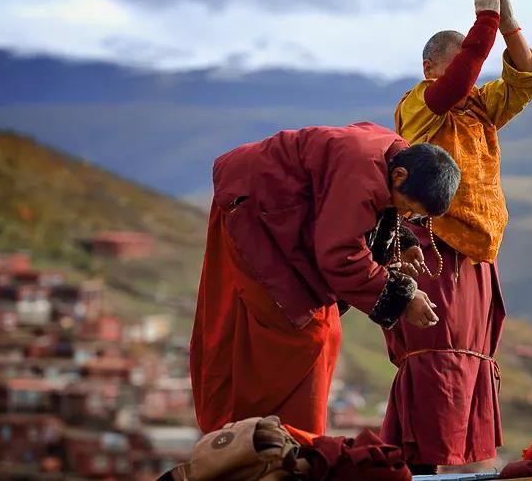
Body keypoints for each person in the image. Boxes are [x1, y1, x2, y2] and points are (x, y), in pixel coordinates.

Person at [189, 121, 461, 436]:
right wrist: (403, 298)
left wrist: (402, 239)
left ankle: (296, 439)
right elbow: (341, 255)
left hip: (285, 217)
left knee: (325, 333)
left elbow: (360, 209)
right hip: (254, 211)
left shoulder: (396, 158)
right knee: (299, 334)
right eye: (404, 207)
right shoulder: (361, 172)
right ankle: (260, 436)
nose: (404, 215)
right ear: (400, 177)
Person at [380, 0, 532, 473]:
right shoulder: (419, 105)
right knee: (436, 353)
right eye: (459, 66)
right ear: (429, 67)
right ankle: (424, 465)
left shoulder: (481, 106)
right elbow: (455, 84)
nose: (468, 76)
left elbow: (524, 82)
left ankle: (457, 463)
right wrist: (485, 23)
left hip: (476, 248)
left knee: (472, 353)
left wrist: (511, 28)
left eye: (471, 66)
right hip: (429, 242)